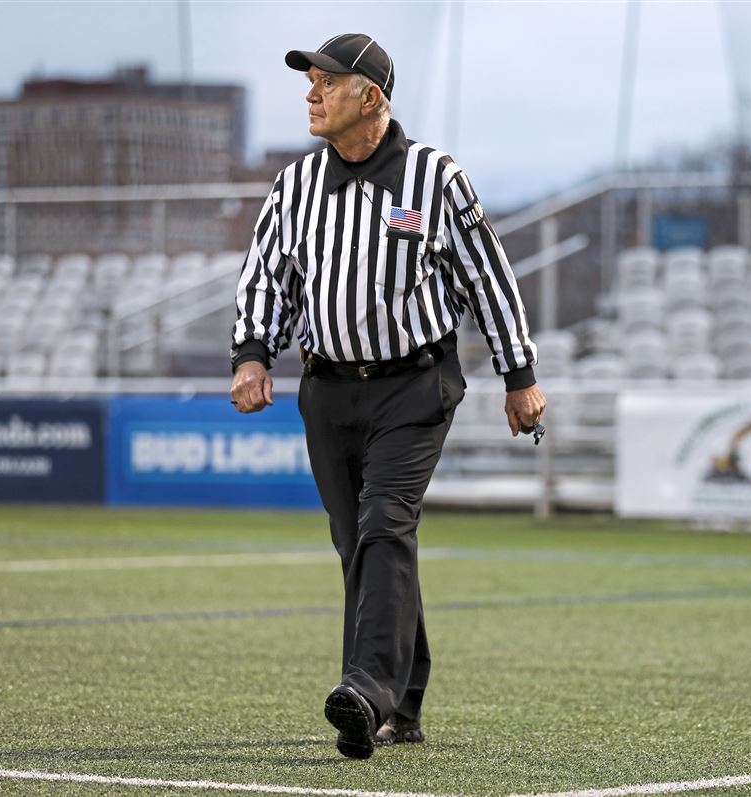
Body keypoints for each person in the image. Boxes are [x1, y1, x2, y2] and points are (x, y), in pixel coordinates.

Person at [228, 33, 546, 760]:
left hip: (415, 385)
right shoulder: (294, 185)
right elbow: (265, 277)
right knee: (363, 545)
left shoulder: (436, 179)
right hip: (328, 390)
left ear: (370, 95)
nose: (311, 94)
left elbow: (487, 278)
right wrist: (252, 354)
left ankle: (365, 693)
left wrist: (518, 374)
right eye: (309, 83)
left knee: (382, 524)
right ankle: (402, 702)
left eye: (326, 83)